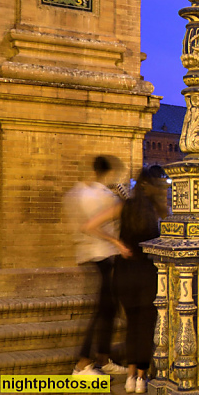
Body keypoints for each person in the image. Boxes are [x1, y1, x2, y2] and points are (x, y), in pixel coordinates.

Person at [65, 156, 130, 377]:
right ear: (111, 172)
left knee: (108, 309)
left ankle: (103, 358)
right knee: (103, 311)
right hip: (104, 256)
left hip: (89, 254)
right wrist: (117, 242)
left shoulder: (77, 192)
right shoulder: (106, 197)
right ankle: (82, 365)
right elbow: (91, 226)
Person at [115, 165, 168, 394]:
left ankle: (129, 376)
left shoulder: (125, 206)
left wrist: (117, 243)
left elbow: (91, 225)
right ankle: (140, 378)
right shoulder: (157, 210)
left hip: (124, 272)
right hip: (147, 274)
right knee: (146, 328)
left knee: (131, 327)